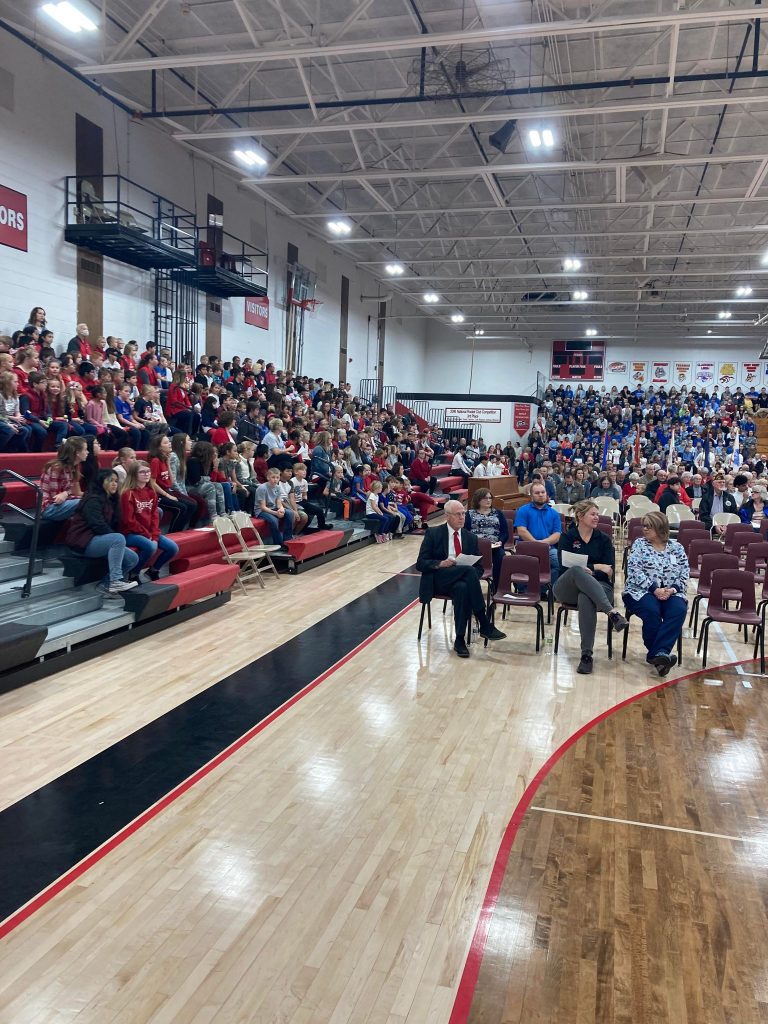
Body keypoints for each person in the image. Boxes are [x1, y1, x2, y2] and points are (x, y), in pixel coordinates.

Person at [415, 499, 507, 658]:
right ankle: (484, 623)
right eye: (458, 514)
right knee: (468, 572)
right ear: (447, 516)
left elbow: (479, 569)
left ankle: (459, 640)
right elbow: (421, 564)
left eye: (463, 514)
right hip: (439, 579)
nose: (462, 517)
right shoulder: (433, 533)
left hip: (459, 581)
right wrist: (440, 563)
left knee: (463, 587)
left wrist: (466, 574)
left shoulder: (470, 537)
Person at [554, 499, 628, 675]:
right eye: (593, 514)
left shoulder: (603, 539)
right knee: (577, 571)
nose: (597, 517)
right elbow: (565, 568)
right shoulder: (567, 537)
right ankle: (612, 613)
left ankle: (586, 656)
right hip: (567, 587)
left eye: (597, 514)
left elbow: (609, 571)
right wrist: (596, 567)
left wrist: (596, 569)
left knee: (585, 597)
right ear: (580, 516)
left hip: (601, 588)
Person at [623, 510, 689, 675]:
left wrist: (672, 589)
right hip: (640, 591)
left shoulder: (677, 548)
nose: (645, 529)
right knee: (652, 610)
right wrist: (655, 589)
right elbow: (634, 570)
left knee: (678, 610)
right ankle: (661, 654)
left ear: (661, 528)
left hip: (671, 592)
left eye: (649, 527)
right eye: (644, 526)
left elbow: (684, 573)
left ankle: (658, 655)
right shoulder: (639, 544)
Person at [65, 469, 139, 596]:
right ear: (101, 482)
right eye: (110, 481)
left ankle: (106, 584)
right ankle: (115, 580)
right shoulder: (92, 499)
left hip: (97, 539)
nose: (114, 484)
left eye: (116, 481)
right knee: (118, 539)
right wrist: (114, 540)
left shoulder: (111, 500)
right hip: (83, 542)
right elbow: (98, 525)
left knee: (132, 558)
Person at [119, 461, 179, 580]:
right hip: (130, 533)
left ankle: (153, 570)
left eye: (148, 471)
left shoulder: (151, 492)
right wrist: (148, 535)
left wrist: (154, 535)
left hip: (148, 532)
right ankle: (134, 573)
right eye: (142, 472)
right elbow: (129, 521)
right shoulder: (128, 494)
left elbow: (154, 516)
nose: (146, 474)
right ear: (134, 474)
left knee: (173, 548)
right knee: (150, 547)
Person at [514, 481, 561, 581]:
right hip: (527, 547)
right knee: (519, 565)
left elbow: (557, 535)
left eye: (543, 492)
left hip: (548, 548)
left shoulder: (554, 513)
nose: (541, 495)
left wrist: (544, 543)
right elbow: (521, 531)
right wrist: (536, 544)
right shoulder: (523, 510)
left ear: (546, 494)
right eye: (537, 493)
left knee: (559, 563)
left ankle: (544, 590)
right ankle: (524, 591)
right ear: (531, 496)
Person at [464, 487, 509, 590]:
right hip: (475, 547)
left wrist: (500, 542)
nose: (489, 500)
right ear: (478, 499)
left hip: (494, 547)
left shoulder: (498, 513)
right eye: (485, 498)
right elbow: (465, 532)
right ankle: (470, 587)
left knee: (501, 557)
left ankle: (497, 588)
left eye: (490, 498)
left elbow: (504, 532)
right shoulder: (469, 514)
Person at [40, 436, 88, 520]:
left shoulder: (74, 467)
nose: (87, 452)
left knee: (92, 500)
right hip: (48, 508)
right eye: (85, 449)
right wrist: (67, 494)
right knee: (85, 501)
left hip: (63, 504)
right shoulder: (56, 468)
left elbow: (69, 493)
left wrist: (66, 493)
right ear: (77, 452)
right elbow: (56, 499)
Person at [254, 466, 295, 547]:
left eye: (277, 477)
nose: (275, 479)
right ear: (268, 477)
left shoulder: (278, 487)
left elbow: (279, 502)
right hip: (261, 511)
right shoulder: (262, 488)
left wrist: (281, 509)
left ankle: (287, 539)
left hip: (273, 508)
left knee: (290, 513)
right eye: (273, 477)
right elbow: (263, 507)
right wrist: (276, 513)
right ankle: (279, 543)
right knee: (274, 520)